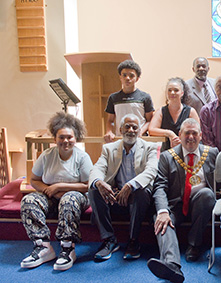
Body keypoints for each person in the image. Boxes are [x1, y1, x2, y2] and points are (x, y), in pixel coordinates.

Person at [148, 118, 218, 283]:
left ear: (201, 136)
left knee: (207, 194)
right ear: (180, 134)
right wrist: (163, 211)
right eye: (187, 133)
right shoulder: (167, 156)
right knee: (161, 219)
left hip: (200, 204)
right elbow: (159, 187)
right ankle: (172, 264)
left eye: (195, 133)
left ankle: (194, 245)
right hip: (175, 205)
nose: (191, 137)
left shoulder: (212, 153)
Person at [20, 112, 93, 271]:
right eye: (61, 137)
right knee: (29, 200)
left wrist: (59, 187)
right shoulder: (46, 156)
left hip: (77, 197)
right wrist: (48, 190)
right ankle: (43, 247)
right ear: (55, 139)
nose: (65, 141)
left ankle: (67, 248)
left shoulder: (82, 157)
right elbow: (34, 180)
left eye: (69, 137)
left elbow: (88, 185)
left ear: (76, 138)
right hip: (51, 196)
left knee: (69, 198)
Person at [88, 114, 158, 261]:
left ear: (139, 131)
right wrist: (99, 182)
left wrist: (130, 185)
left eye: (134, 127)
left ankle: (133, 241)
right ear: (120, 129)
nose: (131, 130)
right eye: (127, 126)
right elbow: (97, 169)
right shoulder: (108, 149)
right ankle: (109, 240)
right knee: (94, 188)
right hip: (116, 196)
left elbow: (151, 171)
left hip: (139, 199)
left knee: (141, 191)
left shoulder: (149, 148)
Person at [104, 59, 155, 142]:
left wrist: (140, 132)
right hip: (121, 139)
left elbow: (150, 120)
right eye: (124, 75)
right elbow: (110, 120)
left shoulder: (145, 97)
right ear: (120, 77)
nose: (127, 78)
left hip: (140, 140)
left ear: (137, 78)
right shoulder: (113, 98)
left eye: (131, 76)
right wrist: (109, 132)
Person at [149, 77, 200, 152]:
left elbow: (197, 131)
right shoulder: (160, 111)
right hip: (166, 153)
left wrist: (181, 140)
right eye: (169, 90)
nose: (172, 93)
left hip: (187, 151)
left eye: (176, 90)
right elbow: (151, 130)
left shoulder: (191, 111)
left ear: (182, 93)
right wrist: (169, 133)